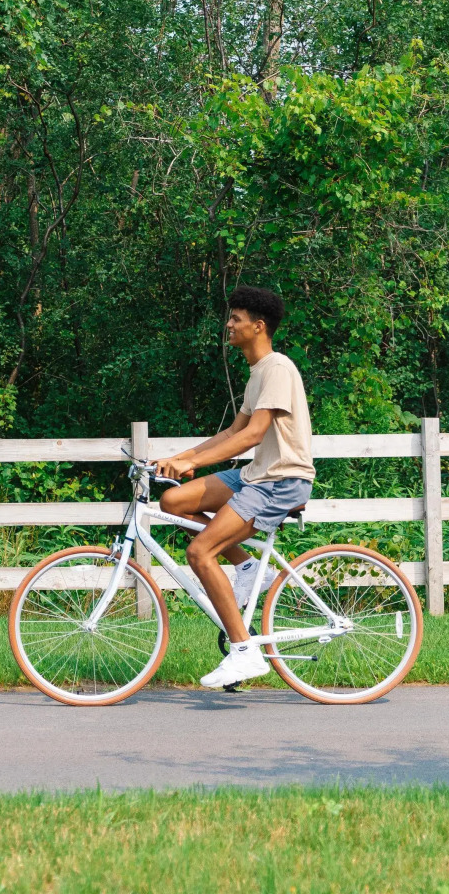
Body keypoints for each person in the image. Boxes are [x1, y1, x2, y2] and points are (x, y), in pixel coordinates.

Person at [152, 286, 315, 688]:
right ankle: (244, 564)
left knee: (200, 551)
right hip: (255, 475)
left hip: (282, 479)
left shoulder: (277, 367)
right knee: (173, 500)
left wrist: (191, 462)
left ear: (258, 326)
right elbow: (233, 430)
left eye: (236, 319)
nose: (228, 325)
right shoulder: (258, 372)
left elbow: (254, 435)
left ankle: (244, 653)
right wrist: (179, 457)